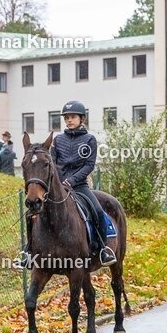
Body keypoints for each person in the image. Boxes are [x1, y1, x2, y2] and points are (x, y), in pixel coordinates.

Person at [50, 100, 116, 267]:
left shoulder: (89, 139)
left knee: (99, 212)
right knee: (33, 214)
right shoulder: (58, 140)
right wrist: (59, 182)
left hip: (80, 187)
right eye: (66, 118)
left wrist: (71, 180)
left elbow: (89, 166)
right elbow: (53, 163)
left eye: (72, 117)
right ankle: (29, 251)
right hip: (59, 187)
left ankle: (103, 250)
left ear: (81, 119)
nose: (69, 120)